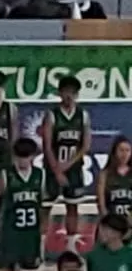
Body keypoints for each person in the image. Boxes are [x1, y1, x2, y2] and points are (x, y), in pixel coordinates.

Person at [42, 77, 93, 253]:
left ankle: (71, 248)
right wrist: (57, 170)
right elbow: (47, 145)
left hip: (73, 168)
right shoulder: (52, 115)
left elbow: (85, 145)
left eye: (72, 92)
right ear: (60, 93)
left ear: (77, 94)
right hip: (52, 167)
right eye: (66, 92)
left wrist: (69, 165)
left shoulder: (83, 115)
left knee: (73, 207)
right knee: (45, 207)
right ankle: (40, 248)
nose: (69, 96)